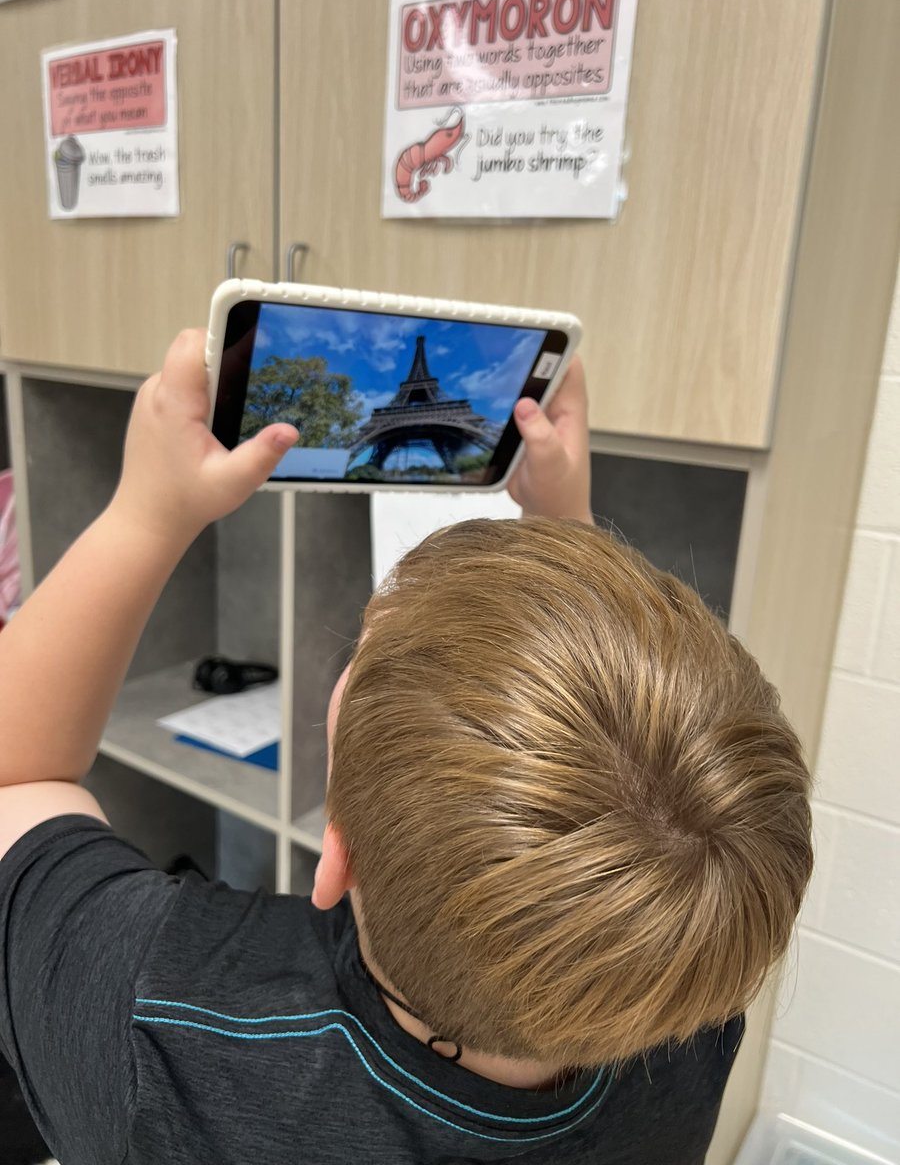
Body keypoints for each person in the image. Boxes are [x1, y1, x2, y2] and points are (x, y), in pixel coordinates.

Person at [0, 330, 812, 1165]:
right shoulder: (689, 1005)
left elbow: (16, 772)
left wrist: (146, 514)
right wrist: (563, 528)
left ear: (337, 846)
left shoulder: (153, 1024)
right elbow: (616, 809)